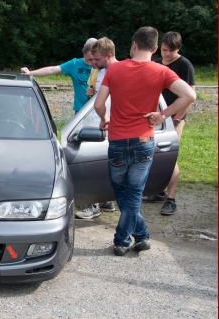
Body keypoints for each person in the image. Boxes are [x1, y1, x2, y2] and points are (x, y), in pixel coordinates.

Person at [94, 26, 196, 256]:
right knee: (132, 193)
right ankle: (141, 236)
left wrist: (104, 119)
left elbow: (98, 104)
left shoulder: (116, 69)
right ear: (155, 48)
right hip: (144, 140)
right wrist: (163, 115)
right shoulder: (161, 71)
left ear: (133, 45)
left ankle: (121, 240)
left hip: (118, 140)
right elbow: (190, 95)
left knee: (122, 192)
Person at [142, 31, 195, 216]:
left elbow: (189, 96)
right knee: (154, 155)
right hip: (155, 117)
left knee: (169, 156)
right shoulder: (155, 63)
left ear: (178, 49)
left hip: (173, 118)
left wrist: (177, 118)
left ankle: (171, 199)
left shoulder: (184, 65)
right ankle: (159, 191)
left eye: (171, 51)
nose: (166, 54)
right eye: (164, 50)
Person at [75, 37, 118, 219]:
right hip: (98, 123)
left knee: (98, 165)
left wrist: (106, 118)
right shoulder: (101, 73)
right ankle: (105, 199)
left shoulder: (119, 71)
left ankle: (94, 205)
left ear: (108, 56)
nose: (94, 63)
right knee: (102, 164)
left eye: (97, 59)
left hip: (110, 125)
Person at [21, 38, 96, 114]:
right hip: (81, 110)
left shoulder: (102, 67)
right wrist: (30, 73)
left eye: (93, 59)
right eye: (88, 59)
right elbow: (51, 70)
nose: (90, 63)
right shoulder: (74, 64)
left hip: (98, 108)